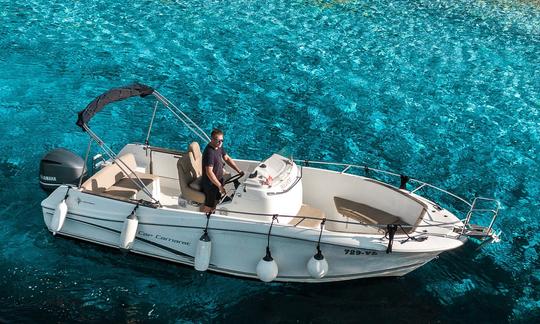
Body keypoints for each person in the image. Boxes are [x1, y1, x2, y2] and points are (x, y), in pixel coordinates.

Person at [201, 128, 243, 213]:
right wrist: (219, 186)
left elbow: (226, 158)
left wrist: (238, 170)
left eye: (222, 140)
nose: (220, 142)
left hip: (218, 181)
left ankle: (213, 214)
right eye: (218, 140)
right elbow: (209, 172)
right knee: (209, 205)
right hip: (210, 185)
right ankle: (204, 219)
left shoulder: (219, 146)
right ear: (212, 139)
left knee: (217, 200)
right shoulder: (209, 153)